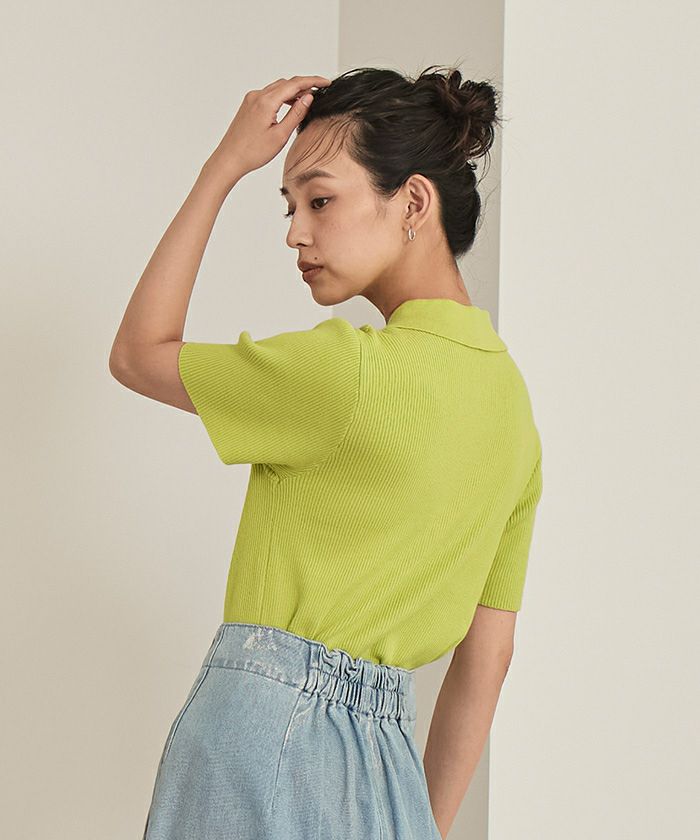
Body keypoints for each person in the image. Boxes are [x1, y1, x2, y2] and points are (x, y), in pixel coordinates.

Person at [110, 64, 543, 840]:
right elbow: (489, 658)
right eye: (288, 205)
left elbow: (139, 354)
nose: (294, 233)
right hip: (390, 769)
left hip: (260, 732)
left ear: (413, 203)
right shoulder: (513, 413)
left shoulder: (346, 370)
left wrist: (223, 167)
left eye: (320, 200)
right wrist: (422, 824)